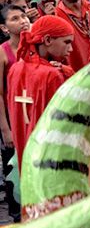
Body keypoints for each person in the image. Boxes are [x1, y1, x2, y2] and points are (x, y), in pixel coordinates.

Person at [6, 15, 74, 165]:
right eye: (67, 42)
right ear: (48, 40)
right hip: (49, 157)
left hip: (25, 151)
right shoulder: (52, 75)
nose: (71, 49)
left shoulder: (15, 68)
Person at [0, 4, 32, 218]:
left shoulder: (35, 45)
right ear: (4, 27)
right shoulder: (2, 53)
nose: (22, 21)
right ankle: (16, 213)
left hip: (34, 112)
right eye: (14, 18)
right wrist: (5, 129)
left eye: (23, 16)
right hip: (13, 116)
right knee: (14, 163)